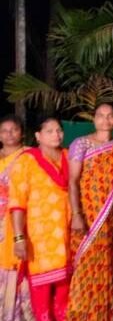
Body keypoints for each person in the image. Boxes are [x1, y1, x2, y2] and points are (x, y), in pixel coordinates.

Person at [67, 102, 113, 321]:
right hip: (85, 217)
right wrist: (77, 215)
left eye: (110, 115)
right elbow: (72, 181)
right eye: (101, 115)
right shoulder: (81, 144)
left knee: (105, 269)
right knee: (83, 268)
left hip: (109, 219)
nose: (105, 120)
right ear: (94, 119)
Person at [9, 118, 71, 321]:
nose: (56, 135)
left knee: (65, 298)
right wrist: (19, 238)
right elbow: (17, 202)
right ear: (38, 136)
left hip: (69, 237)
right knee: (42, 298)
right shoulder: (27, 160)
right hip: (39, 241)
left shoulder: (69, 156)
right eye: (49, 131)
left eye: (59, 130)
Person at [0, 115, 32, 320]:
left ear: (22, 133)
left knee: (19, 265)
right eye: (4, 130)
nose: (9, 134)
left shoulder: (29, 156)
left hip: (21, 219)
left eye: (14, 129)